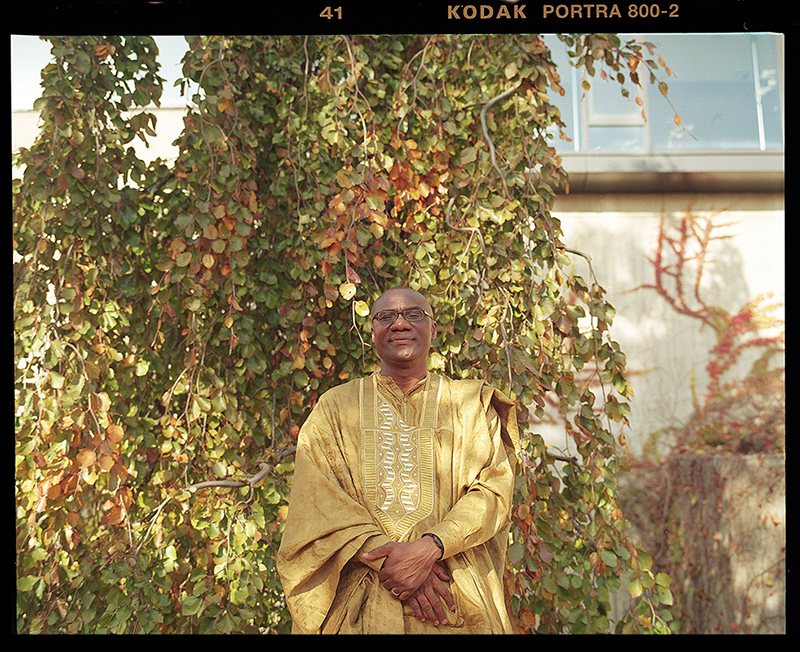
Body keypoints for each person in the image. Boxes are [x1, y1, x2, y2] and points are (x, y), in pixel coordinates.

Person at [276, 286, 519, 634]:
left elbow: (492, 493)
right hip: (359, 609)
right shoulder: (335, 407)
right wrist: (394, 563)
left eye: (414, 314)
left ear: (433, 330)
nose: (400, 323)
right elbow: (317, 504)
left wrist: (431, 547)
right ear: (372, 332)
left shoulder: (470, 405)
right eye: (386, 316)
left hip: (454, 606)